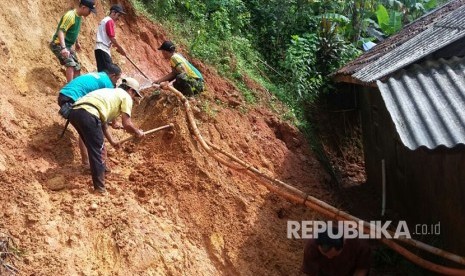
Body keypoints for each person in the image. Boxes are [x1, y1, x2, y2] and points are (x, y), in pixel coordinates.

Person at [68, 77, 145, 193]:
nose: (133, 98)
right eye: (134, 95)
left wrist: (113, 141)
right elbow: (127, 124)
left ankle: (99, 170)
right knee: (99, 150)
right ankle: (99, 189)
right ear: (130, 90)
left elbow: (102, 125)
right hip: (89, 113)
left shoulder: (110, 92)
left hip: (75, 111)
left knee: (95, 145)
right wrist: (137, 132)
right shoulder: (126, 97)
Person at [58, 64, 122, 167]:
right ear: (113, 75)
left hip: (64, 95)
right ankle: (88, 163)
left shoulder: (99, 75)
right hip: (72, 98)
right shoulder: (108, 83)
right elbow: (111, 102)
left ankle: (89, 162)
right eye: (117, 79)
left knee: (88, 127)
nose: (116, 82)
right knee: (87, 129)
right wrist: (114, 122)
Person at [50, 0, 96, 83]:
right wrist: (63, 48)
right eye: (90, 11)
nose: (90, 13)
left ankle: (76, 86)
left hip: (68, 45)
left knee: (77, 67)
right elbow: (61, 31)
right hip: (58, 44)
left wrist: (77, 42)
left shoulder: (79, 17)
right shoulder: (70, 16)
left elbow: (74, 31)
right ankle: (70, 89)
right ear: (83, 7)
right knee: (70, 65)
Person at [302, 227, 371, 276]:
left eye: (334, 255)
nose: (329, 257)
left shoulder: (360, 246)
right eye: (325, 255)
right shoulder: (311, 246)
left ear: (344, 243)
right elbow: (310, 271)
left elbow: (361, 269)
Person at [95, 4, 127, 72]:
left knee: (102, 72)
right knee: (109, 73)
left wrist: (116, 47)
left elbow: (108, 38)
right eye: (118, 15)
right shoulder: (109, 21)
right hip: (103, 49)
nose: (119, 18)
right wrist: (120, 49)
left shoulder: (105, 20)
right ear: (113, 12)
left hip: (100, 48)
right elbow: (112, 38)